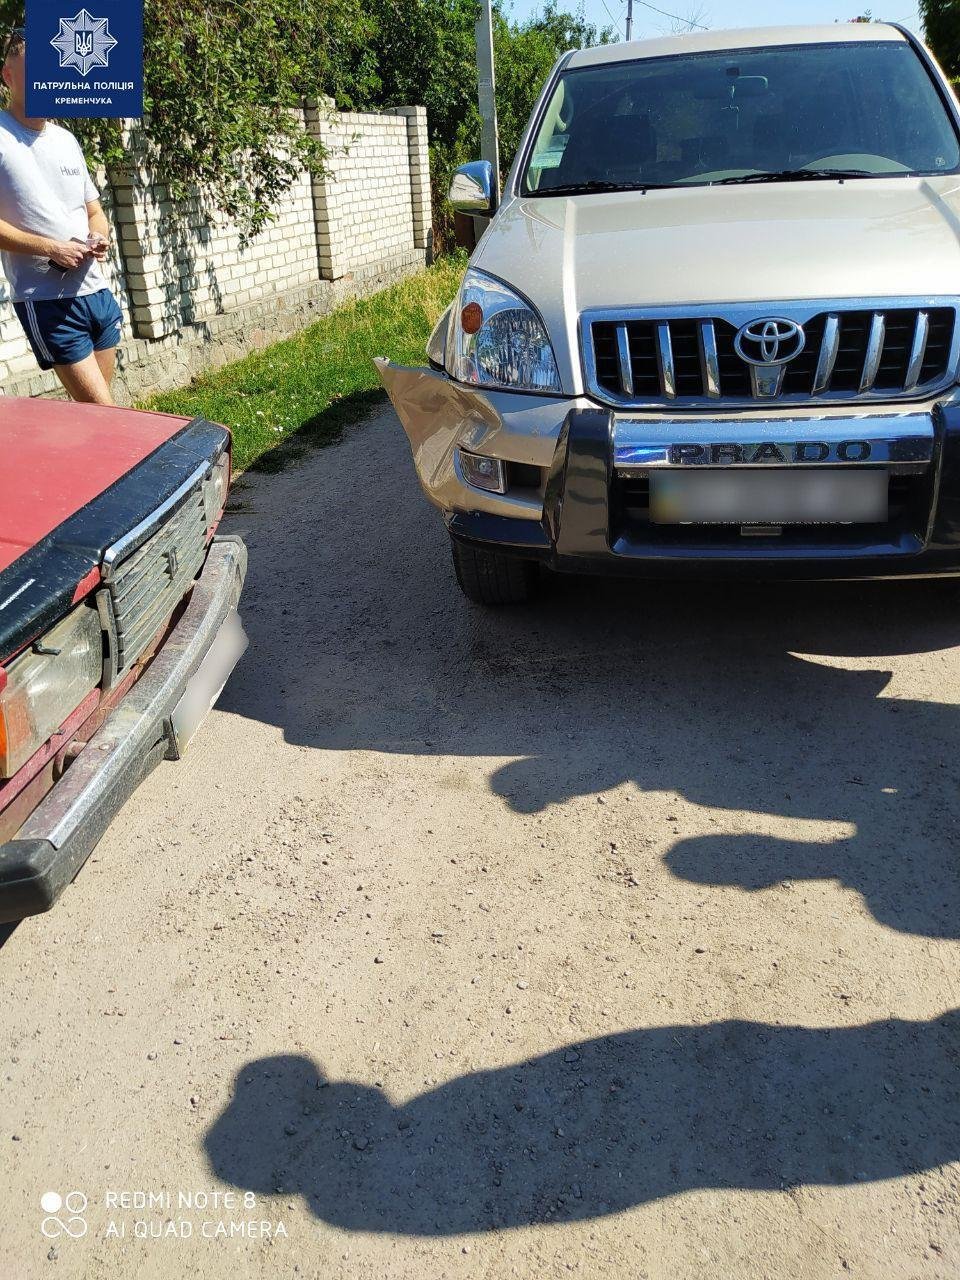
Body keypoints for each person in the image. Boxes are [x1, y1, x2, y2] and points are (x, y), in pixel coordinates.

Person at [0, 28, 123, 404]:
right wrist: (50, 248)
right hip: (47, 299)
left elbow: (94, 211)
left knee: (97, 417)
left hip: (96, 292)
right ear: (8, 76)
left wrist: (98, 236)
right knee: (104, 412)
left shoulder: (66, 140)